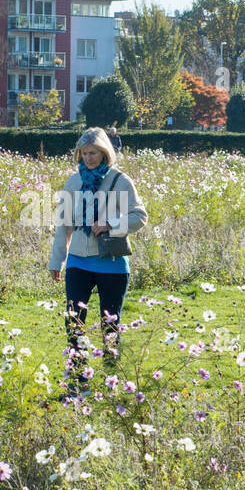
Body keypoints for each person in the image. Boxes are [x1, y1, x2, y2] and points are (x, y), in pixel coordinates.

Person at [49, 127, 147, 381]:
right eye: (84, 153)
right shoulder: (73, 182)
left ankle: (112, 380)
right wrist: (57, 260)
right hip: (78, 262)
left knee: (110, 325)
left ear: (105, 153)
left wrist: (110, 224)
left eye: (94, 153)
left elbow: (139, 217)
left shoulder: (119, 180)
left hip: (110, 264)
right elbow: (64, 225)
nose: (89, 158)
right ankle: (78, 380)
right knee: (74, 321)